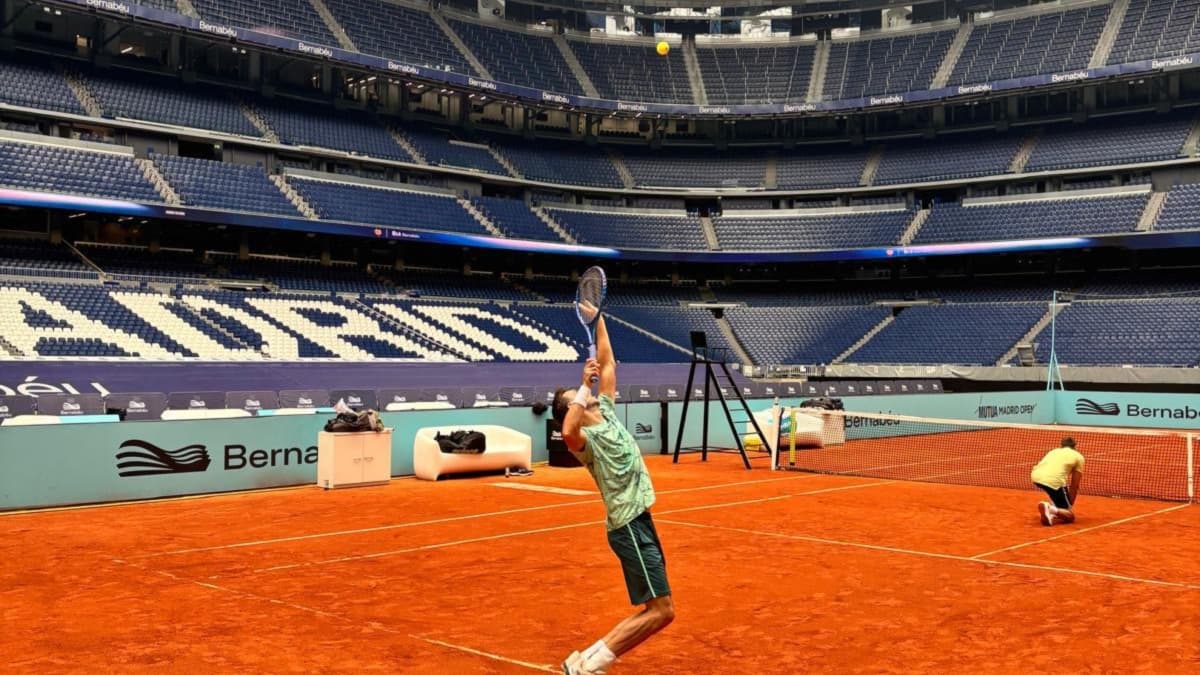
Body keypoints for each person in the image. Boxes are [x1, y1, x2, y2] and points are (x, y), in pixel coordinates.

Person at [551, 310, 674, 675]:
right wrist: (583, 387)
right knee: (662, 610)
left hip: (641, 519)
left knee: (660, 608)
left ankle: (584, 662)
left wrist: (599, 319)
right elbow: (569, 429)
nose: (588, 394)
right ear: (573, 406)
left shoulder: (606, 410)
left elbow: (607, 363)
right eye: (580, 396)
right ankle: (587, 667)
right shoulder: (582, 439)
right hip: (627, 526)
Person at [1031, 437, 1085, 526]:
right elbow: (1074, 485)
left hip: (1036, 476)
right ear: (1075, 446)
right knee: (1070, 517)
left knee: (1054, 494)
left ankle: (1051, 513)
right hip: (1054, 481)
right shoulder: (1079, 457)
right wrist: (1068, 507)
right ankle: (1051, 509)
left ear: (1062, 445)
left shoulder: (1053, 451)